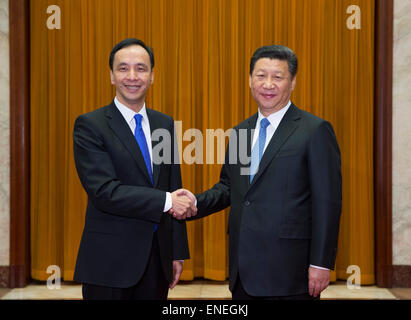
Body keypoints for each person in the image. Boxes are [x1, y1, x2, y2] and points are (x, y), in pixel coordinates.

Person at [173, 45, 342, 300]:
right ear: (250, 80)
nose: (268, 84)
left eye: (278, 76)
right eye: (261, 75)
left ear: (293, 82)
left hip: (290, 272)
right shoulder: (241, 131)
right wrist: (195, 202)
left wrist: (320, 263)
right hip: (244, 271)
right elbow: (230, 188)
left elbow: (327, 202)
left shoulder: (314, 130)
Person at [73, 38, 196, 300]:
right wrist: (167, 200)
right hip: (109, 263)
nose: (132, 76)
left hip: (156, 259)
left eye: (141, 69)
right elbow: (104, 191)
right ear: (111, 75)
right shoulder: (90, 125)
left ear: (152, 76)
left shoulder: (164, 123)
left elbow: (173, 186)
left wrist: (176, 251)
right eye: (123, 68)